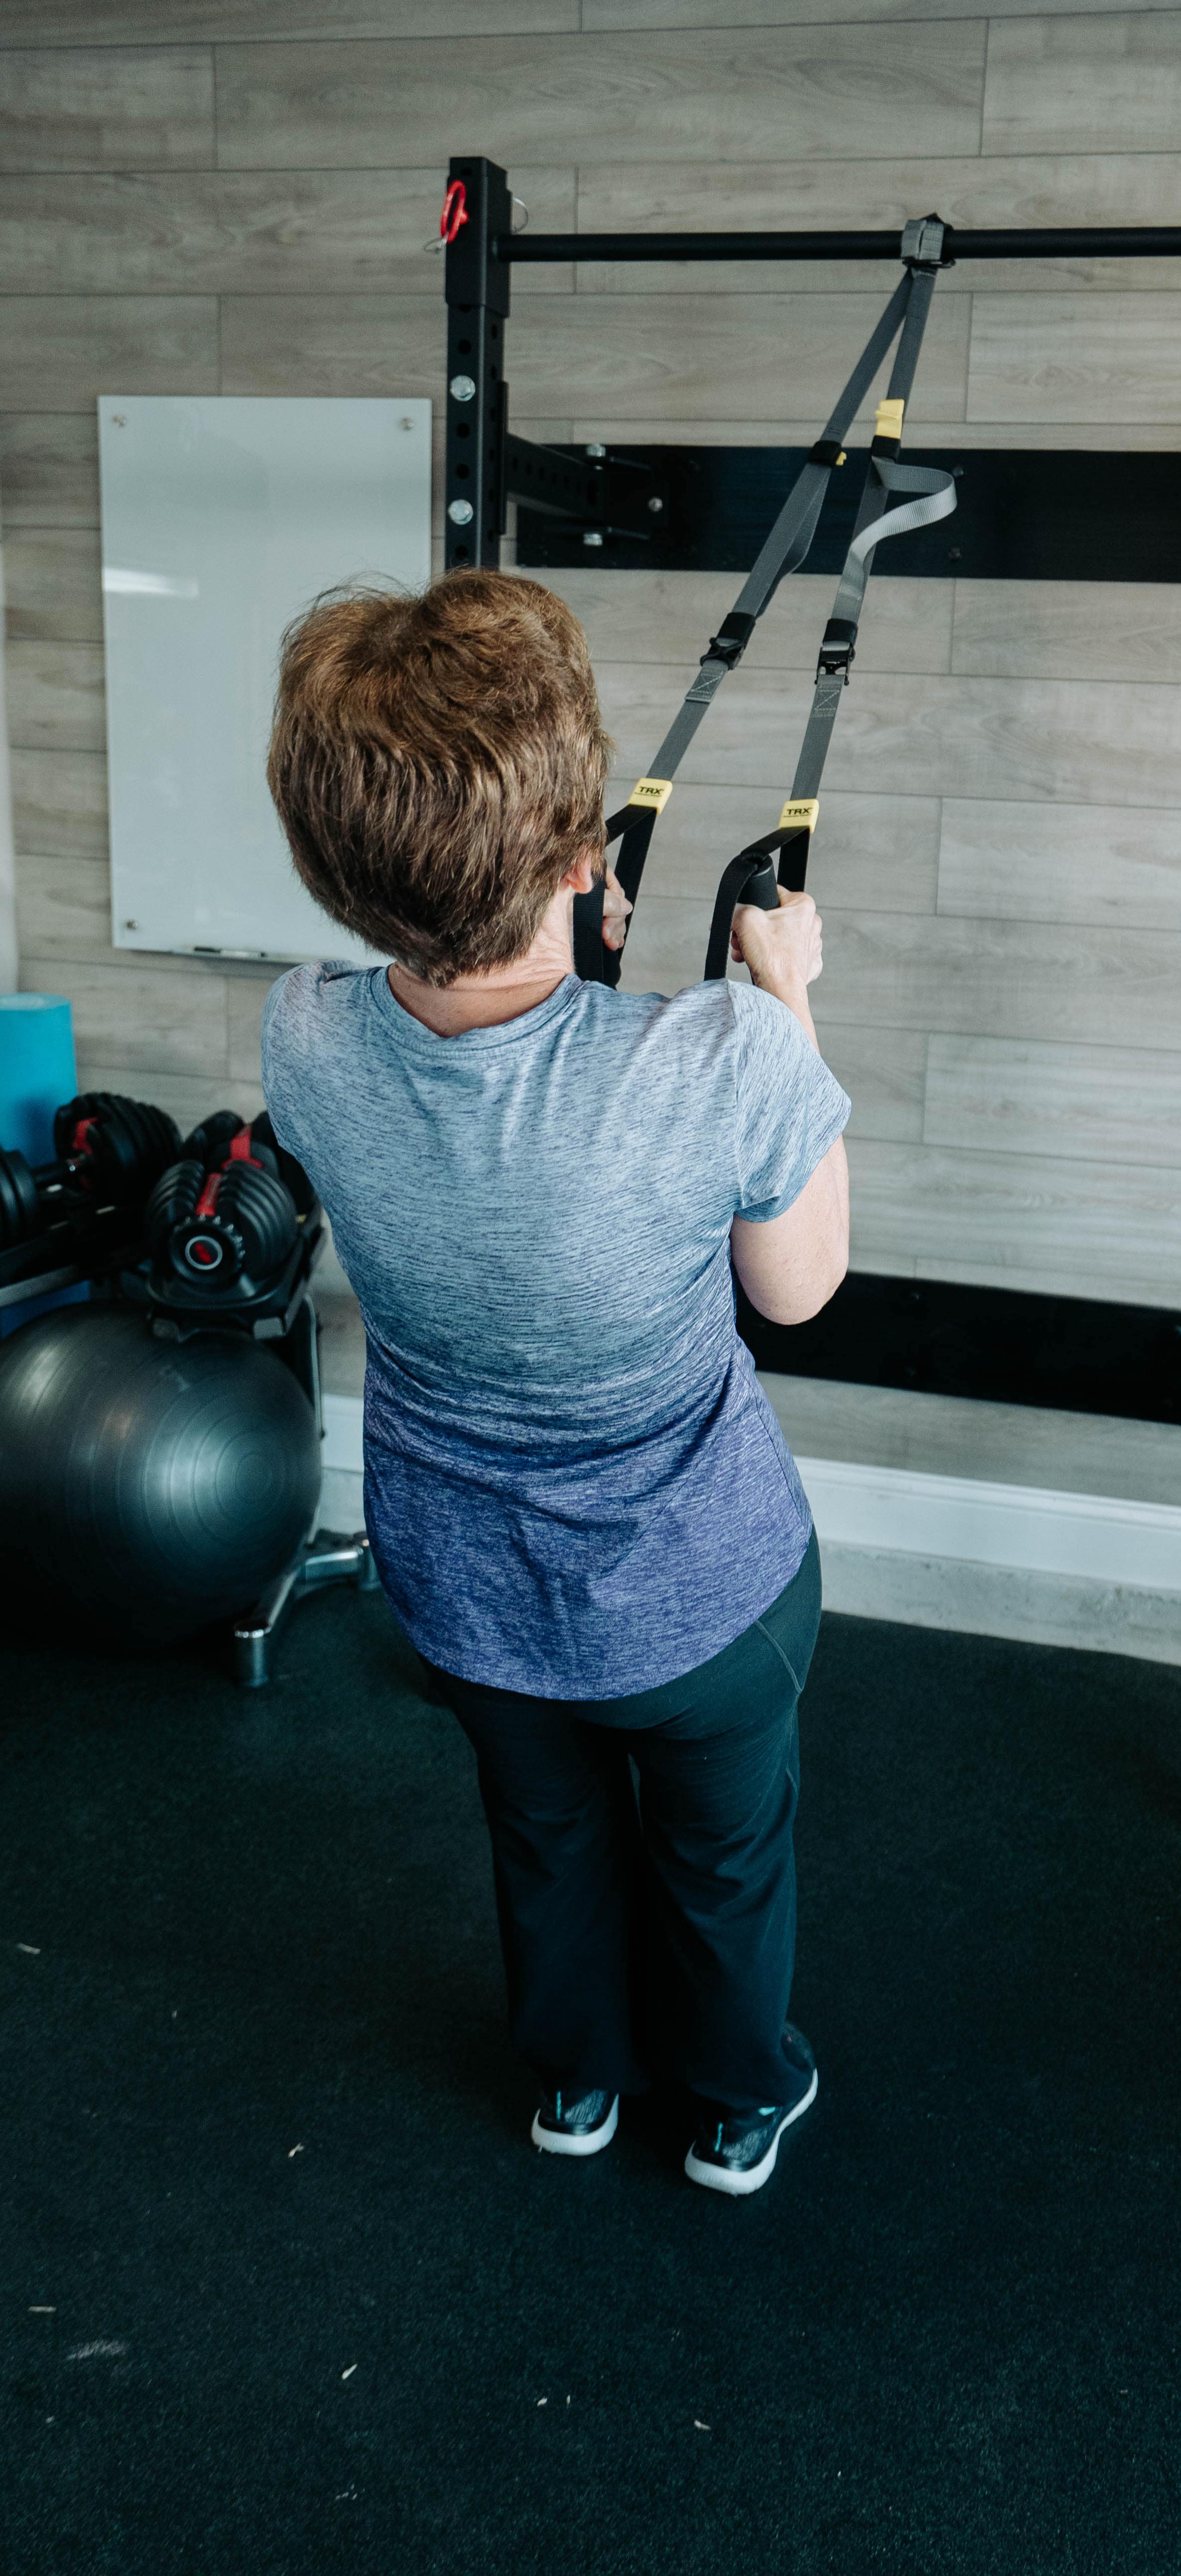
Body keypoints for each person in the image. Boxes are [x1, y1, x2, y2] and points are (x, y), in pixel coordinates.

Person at [260, 570, 849, 2198]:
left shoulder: (300, 1036)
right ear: (585, 857)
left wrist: (562, 947)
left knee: (550, 1835)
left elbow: (483, 1091)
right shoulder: (718, 1056)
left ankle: (577, 2081)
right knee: (718, 1856)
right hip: (701, 1602)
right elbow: (797, 1289)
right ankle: (736, 2101)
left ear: (336, 866)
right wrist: (783, 990)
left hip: (462, 1594)